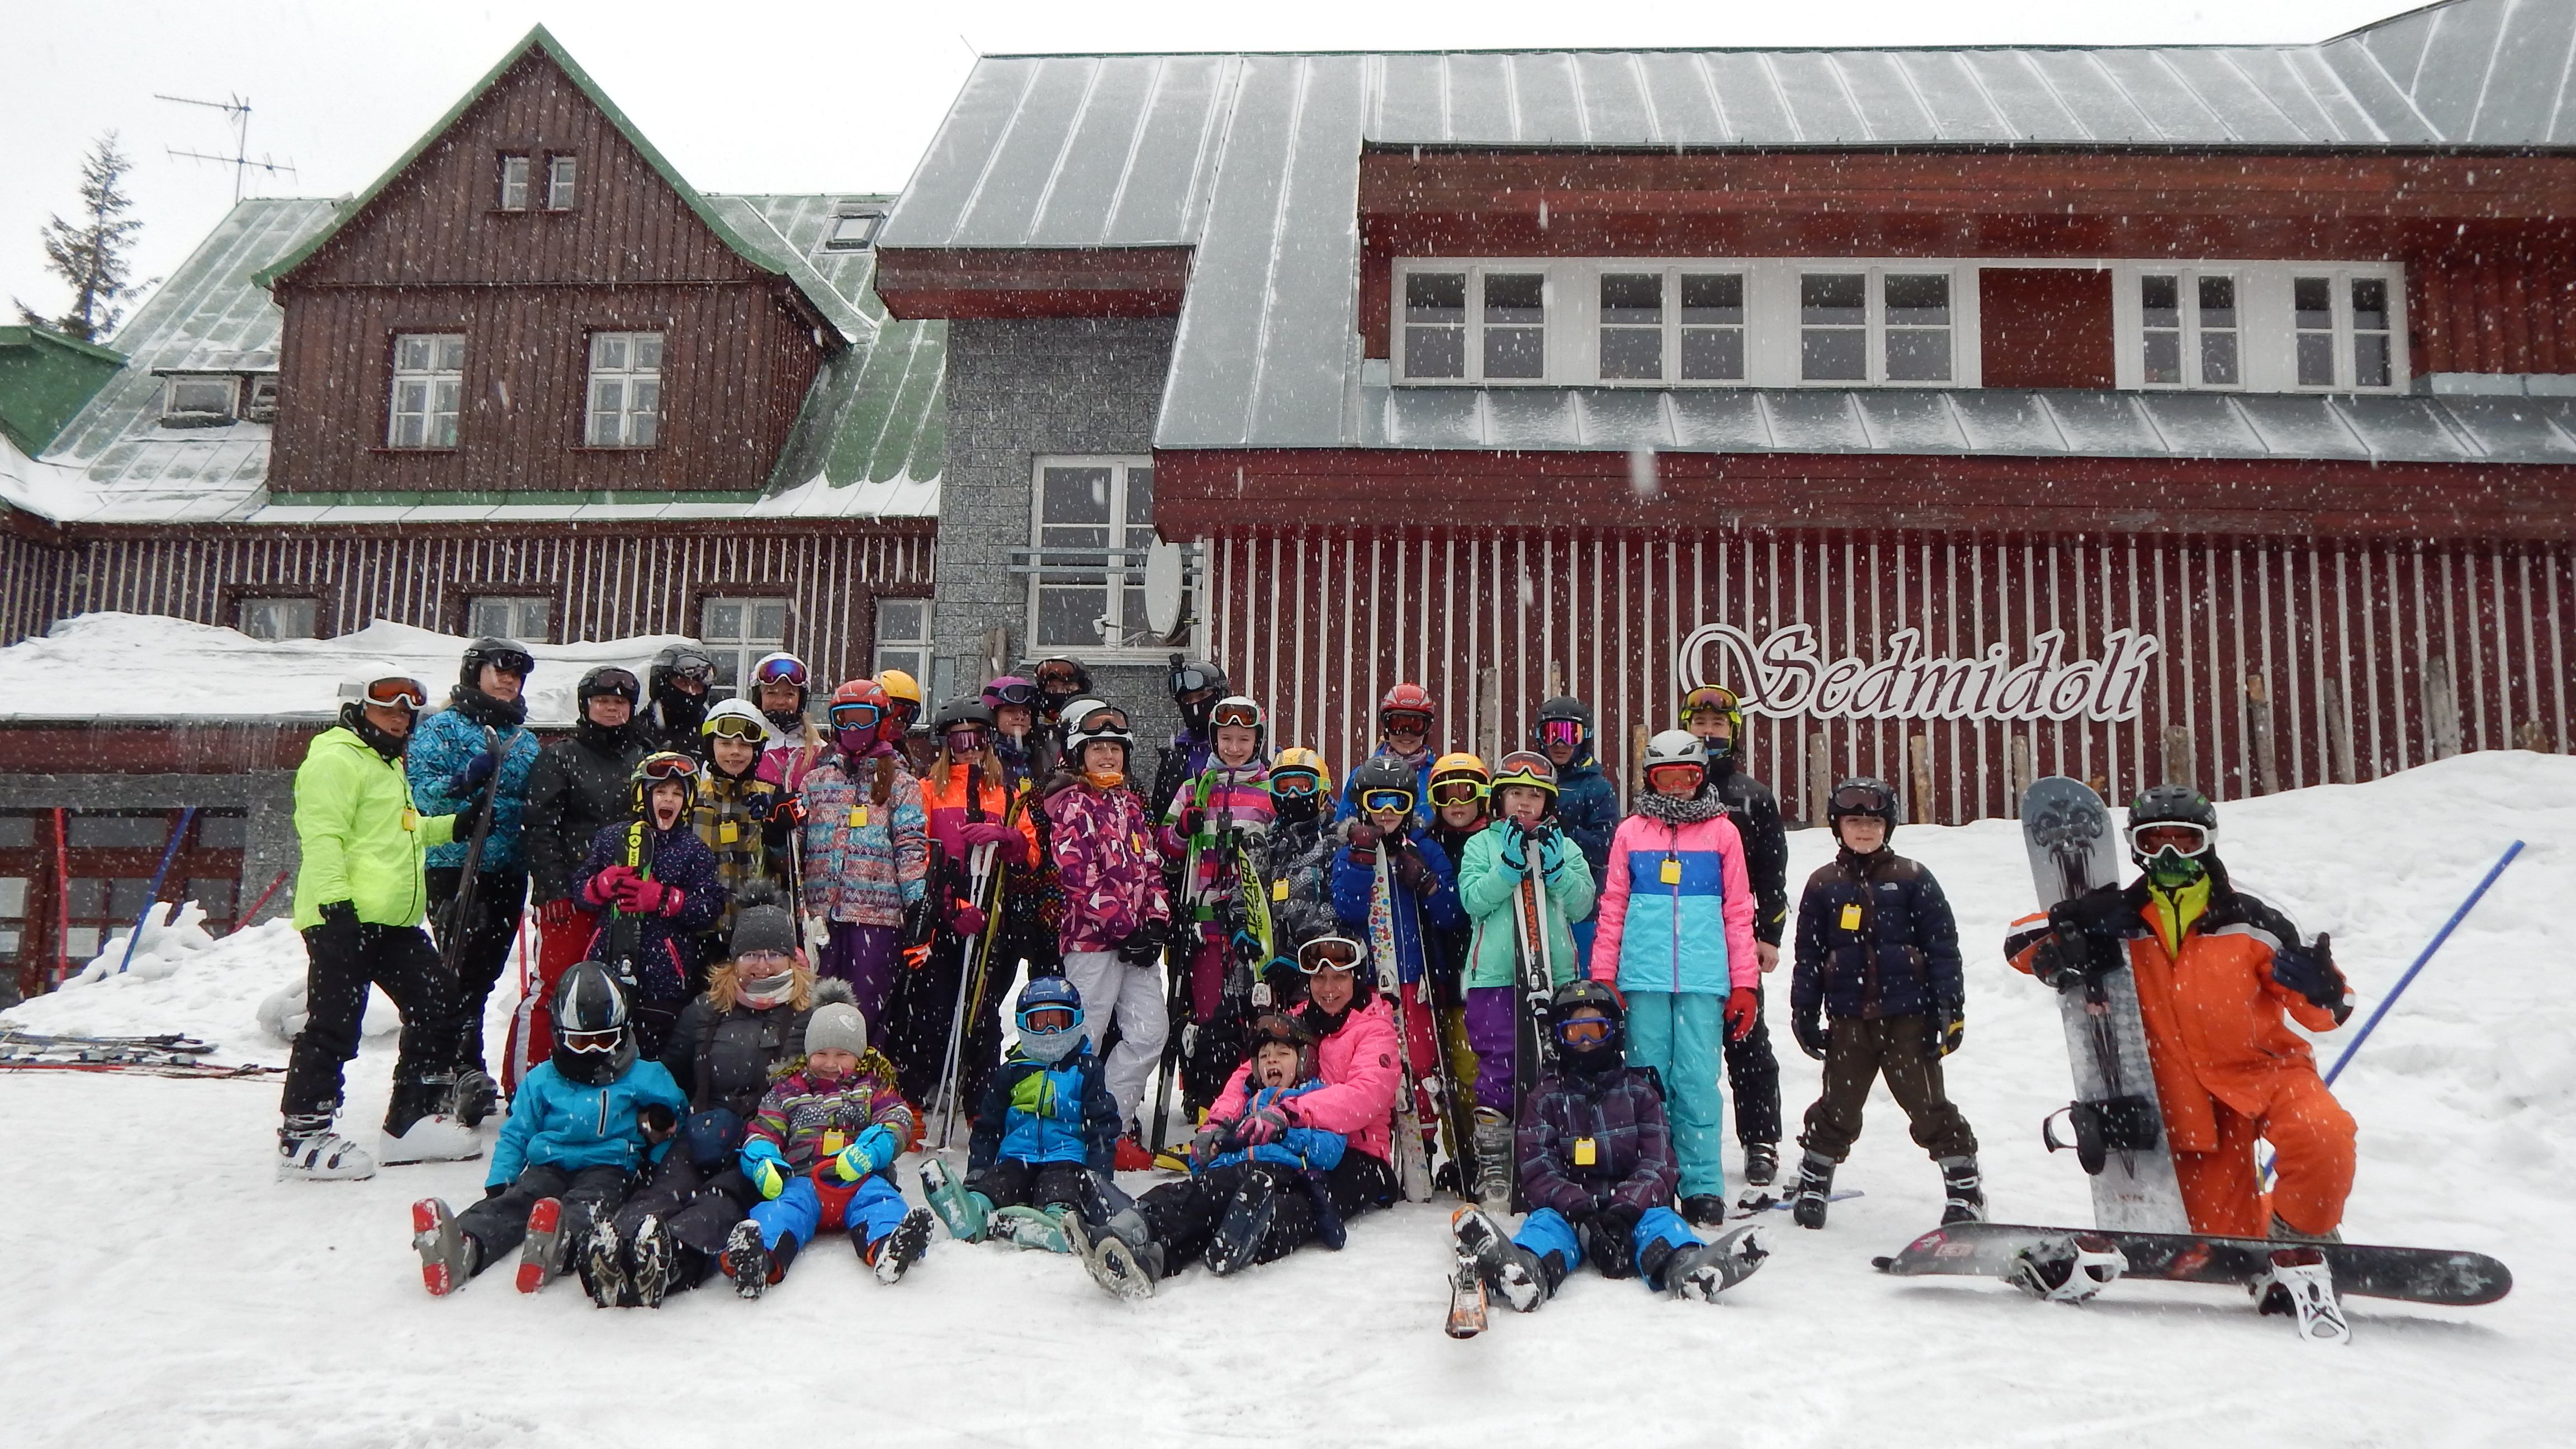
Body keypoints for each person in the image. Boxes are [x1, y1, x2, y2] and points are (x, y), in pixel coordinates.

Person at [2006, 784, 2356, 1242]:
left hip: (2264, 1072)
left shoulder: (2254, 921)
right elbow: (2016, 945)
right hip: (2183, 1100)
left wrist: (2324, 987)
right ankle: (2259, 1239)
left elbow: (2329, 1013)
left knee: (2324, 1135)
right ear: (2136, 847)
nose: (2170, 855)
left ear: (2208, 842)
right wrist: (2077, 916)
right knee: (2224, 1245)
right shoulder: (2120, 920)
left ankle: (2301, 1236)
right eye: (2154, 841)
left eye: (2186, 841)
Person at [1069, 941, 1399, 1299]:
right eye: (1320, 979)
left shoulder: (1373, 1028)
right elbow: (1247, 1075)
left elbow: (1366, 1095)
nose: (1328, 989)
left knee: (1293, 1206)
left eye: (1339, 978)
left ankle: (1200, 1232)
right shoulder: (1299, 1020)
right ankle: (1153, 1255)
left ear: (1356, 979)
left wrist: (1291, 1112)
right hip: (1289, 1145)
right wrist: (1217, 1124)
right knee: (1231, 1193)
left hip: (1357, 1154)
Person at [1448, 981, 1767, 1312]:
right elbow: (1539, 1168)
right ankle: (1526, 1269)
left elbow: (1659, 1162)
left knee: (1661, 1222)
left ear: (1614, 1033)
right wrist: (1582, 1212)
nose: (1586, 1043)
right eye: (1575, 1033)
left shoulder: (1640, 1093)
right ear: (1559, 1038)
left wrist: (1626, 1209)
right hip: (1570, 1213)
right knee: (1546, 1226)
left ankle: (1687, 1265)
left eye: (1595, 1030)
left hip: (1634, 1209)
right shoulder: (1546, 1098)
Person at [276, 673, 478, 1180]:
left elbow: (402, 834)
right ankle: (303, 1135)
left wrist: (454, 826)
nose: (400, 717)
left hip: (391, 921)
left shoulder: (385, 764)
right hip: (343, 916)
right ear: (355, 708)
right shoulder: (336, 759)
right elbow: (322, 836)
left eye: (408, 711)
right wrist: (335, 904)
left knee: (439, 1002)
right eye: (387, 707)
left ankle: (411, 1120)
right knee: (335, 1023)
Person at [596, 891, 835, 1303]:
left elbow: (835, 1079)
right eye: (751, 954)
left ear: (790, 959)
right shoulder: (706, 1009)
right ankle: (616, 1249)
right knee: (666, 1186)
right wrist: (659, 1112)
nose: (762, 965)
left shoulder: (810, 1015)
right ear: (735, 959)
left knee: (721, 1199)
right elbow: (670, 1072)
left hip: (763, 1139)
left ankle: (672, 1258)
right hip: (703, 1127)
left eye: (773, 955)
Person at [409, 962, 686, 1296]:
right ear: (560, 1036)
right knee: (517, 1202)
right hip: (548, 1164)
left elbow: (675, 1119)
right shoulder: (542, 1079)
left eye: (605, 1040)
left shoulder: (644, 1076)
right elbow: (517, 1132)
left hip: (609, 1166)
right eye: (581, 1043)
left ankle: (558, 1246)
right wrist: (501, 1179)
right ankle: (464, 1246)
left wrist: (655, 1154)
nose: (594, 1052)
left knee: (587, 1207)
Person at [1788, 776, 1980, 1230]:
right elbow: (1808, 956)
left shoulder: (1912, 877)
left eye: (1874, 823)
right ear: (1837, 827)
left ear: (1888, 827)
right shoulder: (1823, 884)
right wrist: (1804, 1011)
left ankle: (1965, 1190)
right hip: (1849, 1019)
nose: (1865, 831)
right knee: (1838, 1106)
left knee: (1928, 1106)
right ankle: (1814, 1179)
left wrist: (1949, 1009)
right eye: (1854, 822)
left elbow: (1943, 948)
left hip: (1908, 1017)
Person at [1588, 730, 1760, 1225]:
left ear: (1702, 776)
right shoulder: (1631, 833)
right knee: (1648, 1080)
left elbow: (1738, 912)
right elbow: (1613, 906)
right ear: (1650, 779)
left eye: (1688, 776)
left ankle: (1702, 1183)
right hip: (1643, 978)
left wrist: (1744, 983)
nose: (1678, 787)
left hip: (1704, 979)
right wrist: (1604, 975)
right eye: (1667, 778)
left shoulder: (1723, 833)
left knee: (1697, 1081)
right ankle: (1653, 1178)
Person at [711, 996, 938, 1298]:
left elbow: (897, 1120)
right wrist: (764, 1163)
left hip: (859, 1177)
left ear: (859, 1055)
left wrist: (870, 1151)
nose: (831, 1064)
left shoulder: (872, 1088)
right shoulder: (787, 1092)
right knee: (781, 1210)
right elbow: (764, 1131)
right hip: (803, 1179)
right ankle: (758, 1258)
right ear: (808, 1053)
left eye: (842, 1054)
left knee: (880, 1202)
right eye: (821, 1054)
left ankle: (890, 1246)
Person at [1452, 750, 1596, 1213]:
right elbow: (1473, 900)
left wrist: (1557, 873)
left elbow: (1583, 905)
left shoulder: (1564, 846)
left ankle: (1551, 1158)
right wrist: (1507, 868)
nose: (1524, 803)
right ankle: (1496, 1163)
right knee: (1500, 1065)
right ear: (1498, 799)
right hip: (1495, 976)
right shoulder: (1482, 844)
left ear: (1548, 802)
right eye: (1515, 793)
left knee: (1557, 1064)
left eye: (1535, 795)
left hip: (1555, 975)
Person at [408, 636, 541, 1123]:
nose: (508, 681)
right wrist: (463, 781)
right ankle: (446, 1066)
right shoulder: (441, 730)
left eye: (516, 675)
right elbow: (420, 795)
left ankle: (467, 1062)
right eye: (498, 671)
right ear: (473, 673)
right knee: (454, 972)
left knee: (483, 975)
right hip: (456, 866)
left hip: (507, 869)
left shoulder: (524, 741)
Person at [888, 697, 1038, 1115]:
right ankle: (918, 1096)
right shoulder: (927, 791)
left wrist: (1010, 839)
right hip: (941, 915)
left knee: (982, 1012)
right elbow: (916, 855)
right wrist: (949, 906)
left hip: (991, 915)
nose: (970, 749)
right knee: (933, 1010)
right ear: (945, 744)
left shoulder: (1007, 793)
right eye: (960, 740)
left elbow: (1031, 854)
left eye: (978, 739)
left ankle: (979, 1103)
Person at [1041, 699, 1174, 1145]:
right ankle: (1063, 1129)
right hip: (1092, 945)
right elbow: (1078, 877)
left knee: (1150, 1032)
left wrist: (1155, 922)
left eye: (1115, 748)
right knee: (1085, 1037)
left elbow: (1151, 866)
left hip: (1137, 946)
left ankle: (1107, 1124)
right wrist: (1123, 927)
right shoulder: (1072, 806)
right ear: (1079, 754)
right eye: (1097, 748)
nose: (1107, 756)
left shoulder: (1130, 805)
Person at [1330, 756, 1466, 1177]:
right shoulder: (1349, 851)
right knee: (1376, 1063)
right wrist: (1361, 862)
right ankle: (1374, 1148)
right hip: (1372, 982)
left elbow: (1452, 915)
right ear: (1363, 804)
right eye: (1378, 801)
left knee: (1421, 1062)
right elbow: (1347, 910)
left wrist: (1427, 884)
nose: (1387, 812)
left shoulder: (1424, 848)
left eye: (1398, 802)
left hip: (1415, 979)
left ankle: (1422, 1144)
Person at [921, 976, 1122, 1254]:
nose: (1050, 1032)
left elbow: (1102, 1127)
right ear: (1024, 1025)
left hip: (1066, 1159)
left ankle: (1059, 1223)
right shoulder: (1013, 1071)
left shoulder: (1086, 1069)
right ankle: (974, 1211)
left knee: (1062, 1185)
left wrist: (1098, 1181)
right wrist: (978, 1172)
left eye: (1059, 1021)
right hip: (1018, 1157)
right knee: (1001, 1180)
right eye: (1040, 1023)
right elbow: (988, 1128)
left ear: (1076, 1021)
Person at [515, 664, 646, 1089]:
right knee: (556, 988)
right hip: (571, 896)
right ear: (586, 706)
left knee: (615, 989)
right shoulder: (560, 757)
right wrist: (553, 887)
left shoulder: (641, 757)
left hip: (623, 897)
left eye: (620, 702)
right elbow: (539, 827)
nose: (612, 709)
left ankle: (604, 1077)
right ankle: (527, 1082)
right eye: (602, 701)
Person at [1682, 683, 1790, 1194]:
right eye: (1700, 724)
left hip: (1736, 939)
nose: (1709, 732)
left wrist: (1769, 934)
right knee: (1683, 1046)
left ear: (1734, 732)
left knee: (1746, 1040)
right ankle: (1677, 1139)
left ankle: (1761, 1140)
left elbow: (1772, 874)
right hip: (1680, 938)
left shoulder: (1753, 796)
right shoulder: (1668, 787)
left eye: (1718, 725)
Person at [1160, 694, 1277, 1123]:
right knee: (1209, 1011)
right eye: (1226, 738)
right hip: (1205, 921)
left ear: (1257, 742)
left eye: (1243, 740)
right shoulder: (1196, 787)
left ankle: (1250, 1090)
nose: (1234, 748)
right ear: (1213, 739)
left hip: (1251, 920)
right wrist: (1182, 828)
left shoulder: (1269, 790)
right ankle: (1205, 1092)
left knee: (1251, 1007)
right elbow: (1166, 847)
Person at [797, 679, 931, 1043]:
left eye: (864, 718)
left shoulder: (900, 783)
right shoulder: (816, 782)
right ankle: (820, 1072)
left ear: (881, 723)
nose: (854, 728)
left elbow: (910, 845)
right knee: (817, 1007)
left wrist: (917, 904)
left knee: (866, 1008)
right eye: (845, 719)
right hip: (822, 915)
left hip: (877, 915)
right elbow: (797, 846)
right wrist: (780, 833)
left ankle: (867, 1071)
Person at [572, 751, 728, 1058]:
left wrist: (664, 898)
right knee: (602, 1050)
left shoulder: (694, 849)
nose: (668, 799)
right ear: (643, 795)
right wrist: (599, 885)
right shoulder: (611, 838)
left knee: (652, 1053)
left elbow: (710, 908)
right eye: (660, 792)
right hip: (606, 965)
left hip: (664, 976)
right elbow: (580, 891)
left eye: (677, 793)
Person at [1422, 751, 1493, 1153]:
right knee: (1442, 1070)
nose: (1456, 804)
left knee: (1471, 1070)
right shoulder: (1427, 843)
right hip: (1436, 968)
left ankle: (1480, 1151)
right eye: (1446, 795)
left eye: (1466, 793)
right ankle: (1457, 1153)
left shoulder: (1492, 842)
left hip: (1478, 970)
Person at [689, 698, 791, 948]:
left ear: (757, 750)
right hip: (701, 928)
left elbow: (788, 869)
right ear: (710, 746)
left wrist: (775, 830)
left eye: (744, 745)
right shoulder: (691, 798)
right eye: (725, 744)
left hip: (756, 932)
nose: (735, 752)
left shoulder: (772, 797)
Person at [1534, 697, 1621, 964]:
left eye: (1570, 734)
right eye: (1551, 734)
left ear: (1585, 738)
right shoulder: (1530, 782)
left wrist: (1565, 830)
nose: (1560, 744)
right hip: (1534, 904)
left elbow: (1604, 849)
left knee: (1577, 976)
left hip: (1581, 907)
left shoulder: (1596, 787)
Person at [1335, 683, 1438, 825]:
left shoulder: (1437, 777)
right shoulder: (1363, 776)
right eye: (1397, 725)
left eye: (1416, 725)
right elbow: (1342, 825)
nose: (1406, 733)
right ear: (1386, 728)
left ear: (1426, 729)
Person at [1148, 657, 1230, 823]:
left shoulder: (1241, 748)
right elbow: (1161, 819)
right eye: (1187, 700)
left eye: (1202, 696)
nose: (1195, 705)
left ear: (1220, 696)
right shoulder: (1175, 756)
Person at [749, 651, 826, 793]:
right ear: (759, 698)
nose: (780, 702)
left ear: (800, 700)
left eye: (789, 694)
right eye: (771, 693)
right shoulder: (744, 746)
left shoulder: (821, 752)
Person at [641, 644, 717, 751]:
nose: (692, 692)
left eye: (697, 687)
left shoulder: (713, 734)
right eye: (684, 684)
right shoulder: (636, 733)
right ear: (662, 685)